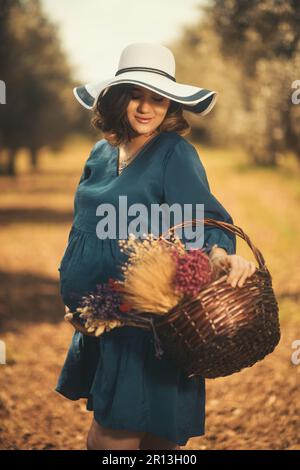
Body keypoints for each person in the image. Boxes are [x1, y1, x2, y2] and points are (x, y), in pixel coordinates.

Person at [55, 43, 256, 450]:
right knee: (143, 434)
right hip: (103, 318)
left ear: (170, 105)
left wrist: (222, 254)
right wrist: (77, 297)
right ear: (116, 98)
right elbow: (85, 229)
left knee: (117, 437)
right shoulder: (100, 153)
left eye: (157, 98)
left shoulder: (174, 154)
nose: (146, 108)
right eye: (136, 95)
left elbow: (204, 219)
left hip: (149, 325)